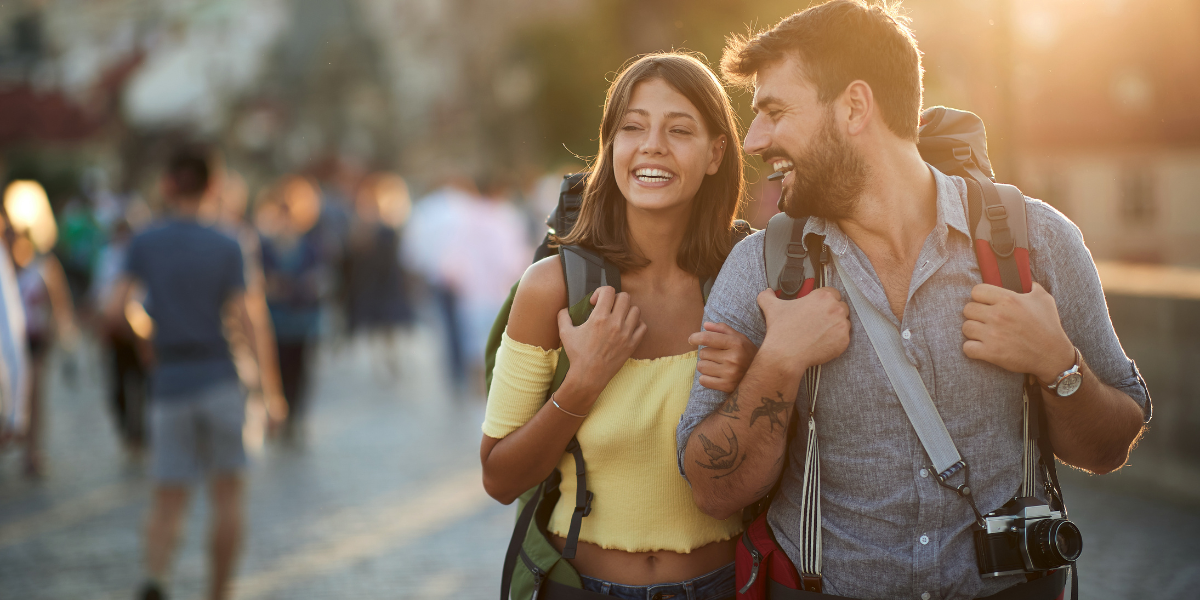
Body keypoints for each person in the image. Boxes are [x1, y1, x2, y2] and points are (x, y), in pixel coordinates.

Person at [676, 3, 1152, 599]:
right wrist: (778, 363)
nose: (754, 140)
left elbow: (1111, 447)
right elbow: (711, 489)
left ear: (854, 106)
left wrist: (1058, 364)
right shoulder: (761, 271)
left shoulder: (1039, 242)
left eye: (774, 112)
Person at [481, 52, 758, 599]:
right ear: (611, 149)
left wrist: (759, 373)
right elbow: (499, 478)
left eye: (679, 129)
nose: (652, 144)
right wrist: (583, 382)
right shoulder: (551, 289)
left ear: (715, 153)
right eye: (632, 127)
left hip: (726, 585)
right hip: (581, 586)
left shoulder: (749, 277)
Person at [106, 146, 287, 600]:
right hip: (222, 376)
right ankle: (219, 592)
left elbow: (114, 309)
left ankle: (155, 577)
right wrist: (270, 393)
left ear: (168, 185)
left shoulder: (145, 241)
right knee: (227, 497)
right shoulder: (230, 241)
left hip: (170, 381)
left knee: (168, 496)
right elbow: (252, 320)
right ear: (213, 185)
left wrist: (148, 338)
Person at [3, 180, 77, 478]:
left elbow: (59, 306)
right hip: (7, 344)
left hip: (34, 341)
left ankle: (32, 451)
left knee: (34, 396)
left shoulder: (44, 267)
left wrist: (66, 339)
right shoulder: (4, 270)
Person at [258, 175, 324, 438]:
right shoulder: (265, 244)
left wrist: (309, 284)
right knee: (280, 369)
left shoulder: (312, 244)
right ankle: (283, 414)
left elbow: (322, 277)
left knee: (302, 371)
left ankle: (296, 416)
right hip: (277, 317)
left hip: (303, 317)